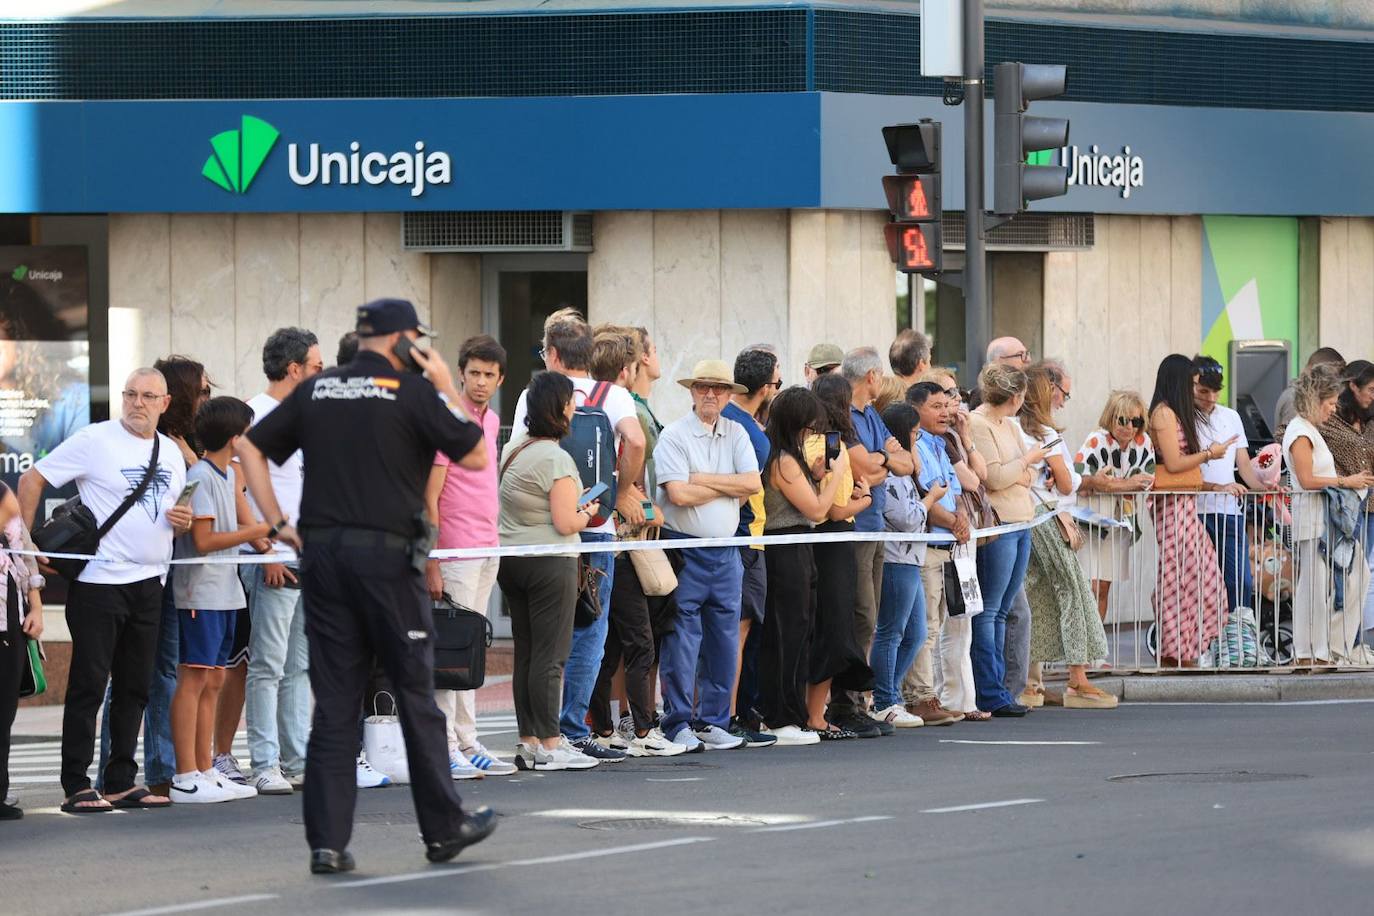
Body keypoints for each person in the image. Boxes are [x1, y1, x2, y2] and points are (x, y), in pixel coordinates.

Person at [237, 298, 496, 873]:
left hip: (324, 559)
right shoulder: (411, 391)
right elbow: (477, 455)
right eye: (416, 339)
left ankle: (327, 844)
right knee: (415, 694)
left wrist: (277, 523)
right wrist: (444, 384)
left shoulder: (318, 389)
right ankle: (443, 828)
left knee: (334, 701)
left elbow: (250, 447)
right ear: (400, 339)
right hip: (387, 561)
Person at [19, 368, 191, 813]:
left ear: (164, 404)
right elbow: (32, 479)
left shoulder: (171, 452)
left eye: (148, 396)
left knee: (135, 687)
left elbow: (170, 513)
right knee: (89, 685)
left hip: (149, 582)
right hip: (99, 583)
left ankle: (119, 780)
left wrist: (182, 521)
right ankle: (76, 784)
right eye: (130, 394)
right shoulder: (95, 439)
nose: (137, 403)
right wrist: (25, 542)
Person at [511, 308, 645, 762]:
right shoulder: (613, 395)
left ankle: (537, 733)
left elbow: (521, 449)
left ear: (552, 354)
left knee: (541, 638)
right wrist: (620, 492)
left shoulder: (532, 395)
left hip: (546, 530)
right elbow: (636, 441)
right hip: (596, 525)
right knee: (590, 630)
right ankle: (571, 727)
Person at [89, 355, 208, 798]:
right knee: (130, 675)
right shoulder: (163, 445)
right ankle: (128, 773)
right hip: (130, 575)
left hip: (162, 570)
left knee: (152, 674)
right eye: (203, 390)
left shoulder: (176, 448)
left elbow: (180, 513)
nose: (206, 399)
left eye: (148, 396)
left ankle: (155, 769)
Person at [585, 327, 685, 758]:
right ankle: (643, 731)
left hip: (599, 538)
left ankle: (605, 728)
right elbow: (635, 468)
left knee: (606, 645)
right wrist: (630, 496)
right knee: (639, 642)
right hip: (623, 543)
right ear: (626, 369)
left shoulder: (585, 405)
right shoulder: (623, 407)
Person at [498, 371, 603, 771]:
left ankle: (528, 740)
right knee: (552, 655)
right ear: (560, 408)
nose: (574, 407)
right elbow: (565, 521)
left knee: (526, 654)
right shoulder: (557, 458)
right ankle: (550, 743)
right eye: (571, 401)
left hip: (512, 559)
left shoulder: (515, 448)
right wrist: (588, 512)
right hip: (550, 562)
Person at [170, 397, 273, 803]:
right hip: (200, 591)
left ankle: (206, 769)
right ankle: (186, 775)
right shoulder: (200, 475)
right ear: (235, 439)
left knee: (215, 678)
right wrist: (257, 532)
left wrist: (262, 536)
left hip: (226, 590)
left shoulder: (228, 475)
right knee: (194, 679)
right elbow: (204, 540)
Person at [654, 359, 761, 751]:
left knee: (723, 640)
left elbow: (752, 483)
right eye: (703, 387)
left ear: (730, 394)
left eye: (718, 388)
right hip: (685, 548)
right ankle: (678, 722)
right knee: (681, 640)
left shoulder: (736, 432)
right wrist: (728, 486)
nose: (711, 394)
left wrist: (702, 478)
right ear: (692, 391)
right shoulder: (675, 435)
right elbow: (678, 494)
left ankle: (713, 721)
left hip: (726, 551)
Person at [424, 334, 517, 778]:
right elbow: (429, 495)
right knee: (450, 653)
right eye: (474, 373)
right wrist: (432, 558)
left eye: (489, 374)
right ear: (460, 374)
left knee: (471, 652)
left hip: (486, 547)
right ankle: (444, 745)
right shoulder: (446, 421)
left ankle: (467, 740)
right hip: (454, 551)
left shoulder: (493, 421)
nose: (480, 381)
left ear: (500, 380)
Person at [235, 328, 323, 796]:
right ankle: (264, 762)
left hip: (309, 559)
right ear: (294, 370)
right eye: (316, 367)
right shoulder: (255, 416)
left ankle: (296, 760)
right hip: (272, 559)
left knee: (298, 666)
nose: (322, 374)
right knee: (267, 665)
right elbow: (239, 492)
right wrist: (264, 550)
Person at [1018, 366, 1116, 709]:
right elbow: (1065, 482)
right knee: (1074, 591)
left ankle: (1029, 684)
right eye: (1060, 393)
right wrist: (1066, 476)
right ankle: (1078, 677)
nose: (1062, 401)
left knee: (1033, 597)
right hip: (1047, 517)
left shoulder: (1014, 428)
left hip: (1022, 519)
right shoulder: (1045, 432)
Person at [827, 347, 913, 736]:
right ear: (872, 376)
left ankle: (857, 701)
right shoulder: (843, 412)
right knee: (859, 615)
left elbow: (906, 463)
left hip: (875, 526)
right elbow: (859, 465)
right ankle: (845, 703)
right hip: (855, 527)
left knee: (870, 616)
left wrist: (881, 461)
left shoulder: (873, 415)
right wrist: (884, 460)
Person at [756, 387, 848, 745]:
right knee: (786, 632)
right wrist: (836, 474)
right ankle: (781, 716)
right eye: (810, 427)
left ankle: (791, 714)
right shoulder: (783, 461)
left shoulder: (790, 459)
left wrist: (819, 475)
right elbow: (817, 510)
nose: (813, 434)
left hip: (798, 546)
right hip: (785, 547)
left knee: (800, 630)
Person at [1283, 364, 1374, 666]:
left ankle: (1326, 647)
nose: (1334, 409)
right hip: (1314, 519)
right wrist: (1345, 481)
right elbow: (1307, 479)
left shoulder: (1308, 430)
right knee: (1316, 586)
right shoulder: (1300, 432)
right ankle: (1311, 651)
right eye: (1331, 403)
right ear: (1315, 400)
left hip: (1324, 519)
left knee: (1348, 576)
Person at [968, 363, 1044, 716]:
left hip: (1021, 520)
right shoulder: (978, 423)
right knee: (991, 609)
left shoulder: (1009, 425)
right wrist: (1025, 462)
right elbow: (996, 478)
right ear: (1015, 397)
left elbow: (1028, 476)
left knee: (1004, 608)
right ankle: (990, 690)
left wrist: (1021, 469)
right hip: (998, 524)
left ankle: (999, 688)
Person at [1148, 354, 1232, 667]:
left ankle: (1186, 647)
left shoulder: (1172, 413)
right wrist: (1210, 454)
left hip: (1184, 502)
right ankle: (1174, 650)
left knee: (1200, 576)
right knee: (1177, 577)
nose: (1194, 389)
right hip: (1171, 504)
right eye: (1192, 383)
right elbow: (1173, 463)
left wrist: (1211, 481)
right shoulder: (1163, 414)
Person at [902, 374, 977, 724]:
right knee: (926, 627)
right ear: (915, 409)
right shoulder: (914, 446)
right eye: (936, 406)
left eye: (947, 405)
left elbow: (956, 490)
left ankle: (931, 695)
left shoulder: (939, 443)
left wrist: (960, 516)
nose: (945, 412)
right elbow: (925, 496)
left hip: (949, 545)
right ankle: (920, 697)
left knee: (942, 621)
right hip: (929, 545)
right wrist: (953, 522)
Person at [809, 374, 878, 739]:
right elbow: (836, 508)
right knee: (835, 625)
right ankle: (821, 713)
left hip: (831, 540)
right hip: (833, 540)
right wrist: (864, 500)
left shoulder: (817, 440)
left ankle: (822, 710)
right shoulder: (831, 443)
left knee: (835, 623)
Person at [720, 347, 781, 748]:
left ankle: (726, 713)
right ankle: (727, 717)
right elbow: (746, 490)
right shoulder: (751, 434)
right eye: (777, 382)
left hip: (735, 537)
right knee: (737, 631)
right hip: (745, 539)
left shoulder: (729, 419)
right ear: (765, 388)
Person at [870, 401, 943, 727]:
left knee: (915, 634)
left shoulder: (906, 470)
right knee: (891, 630)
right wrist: (931, 499)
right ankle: (884, 699)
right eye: (914, 433)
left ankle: (887, 692)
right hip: (895, 558)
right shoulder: (890, 476)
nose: (916, 440)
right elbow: (907, 518)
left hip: (911, 558)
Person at [1073, 391, 1156, 621]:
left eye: (1136, 421)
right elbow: (1078, 481)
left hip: (1120, 522)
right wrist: (1126, 484)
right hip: (1090, 521)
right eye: (1123, 420)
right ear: (1111, 417)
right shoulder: (1096, 440)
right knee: (1089, 587)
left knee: (1103, 588)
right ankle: (1085, 643)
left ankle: (1098, 644)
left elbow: (1147, 481)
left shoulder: (1144, 443)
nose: (1129, 427)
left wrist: (1109, 485)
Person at [1193, 355, 1264, 616]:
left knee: (1240, 581)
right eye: (1204, 391)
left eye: (1215, 391)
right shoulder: (1182, 417)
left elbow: (1243, 465)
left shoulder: (1231, 416)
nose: (1211, 398)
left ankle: (1238, 633)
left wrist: (1264, 489)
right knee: (1201, 582)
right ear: (1191, 385)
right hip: (1196, 511)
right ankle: (1205, 636)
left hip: (1229, 509)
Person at [1321, 360, 1374, 648]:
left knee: (1365, 575)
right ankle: (1345, 642)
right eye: (1370, 389)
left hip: (1371, 506)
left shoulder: (1371, 421)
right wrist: (1339, 478)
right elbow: (1286, 435)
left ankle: (1359, 640)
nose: (1373, 395)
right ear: (1352, 386)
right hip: (1346, 507)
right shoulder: (1330, 419)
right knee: (1347, 573)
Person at [0, 483, 43, 821]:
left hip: (9, 622)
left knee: (4, 711)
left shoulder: (3, 493)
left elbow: (26, 556)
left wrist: (37, 608)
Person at [1276, 347, 1344, 433]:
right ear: (1318, 370)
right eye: (1331, 376)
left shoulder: (1299, 395)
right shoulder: (1295, 397)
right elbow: (1292, 436)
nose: (1334, 382)